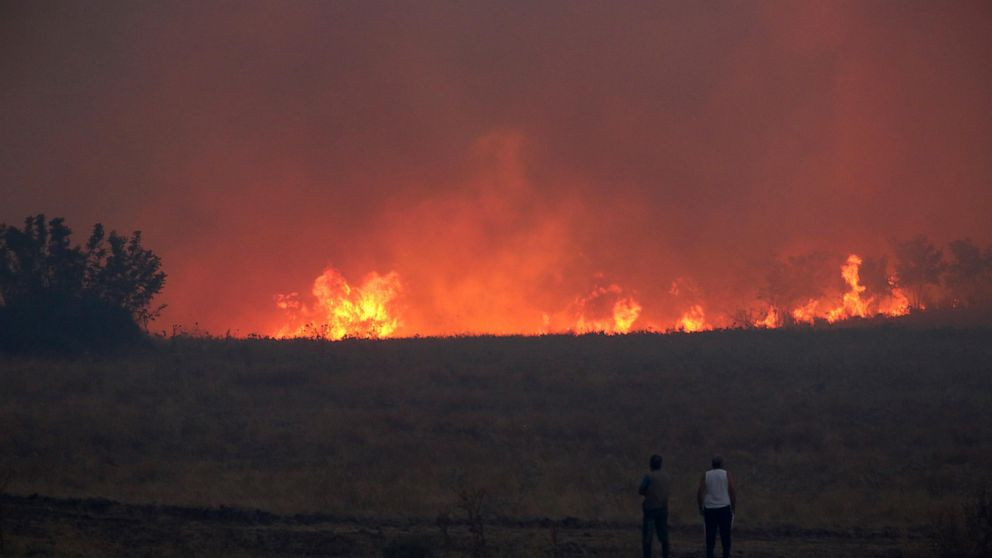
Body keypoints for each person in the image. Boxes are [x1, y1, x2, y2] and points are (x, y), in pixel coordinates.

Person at [697, 455, 736, 558]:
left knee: (710, 534)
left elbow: (700, 491)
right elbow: (732, 491)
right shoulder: (726, 474)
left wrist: (700, 506)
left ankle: (710, 554)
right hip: (724, 507)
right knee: (725, 534)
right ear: (722, 464)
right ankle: (726, 554)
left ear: (712, 464)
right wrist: (733, 507)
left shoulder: (706, 474)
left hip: (710, 508)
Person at [638, 454, 671, 558]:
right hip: (663, 509)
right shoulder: (666, 476)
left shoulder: (649, 476)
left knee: (647, 538)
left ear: (651, 464)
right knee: (664, 536)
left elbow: (641, 490)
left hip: (650, 509)